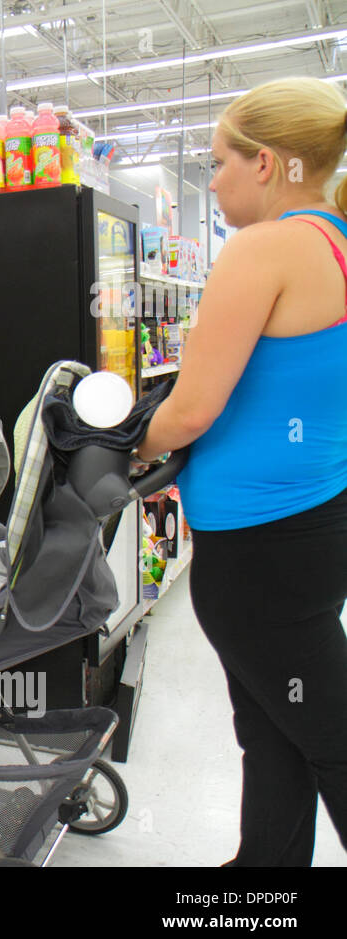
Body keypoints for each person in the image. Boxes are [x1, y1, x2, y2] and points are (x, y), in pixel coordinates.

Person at [137, 77, 347, 866]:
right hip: (312, 524)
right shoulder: (334, 242)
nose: (213, 179)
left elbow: (192, 410)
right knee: (274, 724)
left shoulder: (263, 250)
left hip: (259, 548)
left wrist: (128, 443)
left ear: (267, 164)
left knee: (326, 734)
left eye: (220, 161)